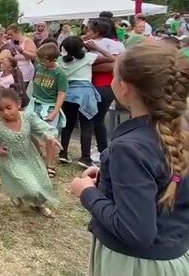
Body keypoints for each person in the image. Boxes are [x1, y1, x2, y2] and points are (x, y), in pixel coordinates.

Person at [70, 42, 189, 275]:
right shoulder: (179, 133)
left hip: (134, 265)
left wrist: (87, 193)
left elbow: (136, 232)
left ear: (124, 87)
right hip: (172, 256)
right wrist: (109, 178)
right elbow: (163, 184)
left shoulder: (129, 149)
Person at [0, 88, 59, 218]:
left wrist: (49, 137)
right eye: (1, 110)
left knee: (42, 183)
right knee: (30, 187)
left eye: (9, 107)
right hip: (12, 161)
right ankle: (21, 194)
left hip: (31, 157)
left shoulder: (28, 117)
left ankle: (39, 205)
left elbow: (42, 128)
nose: (6, 112)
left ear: (18, 104)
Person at [58, 37, 112, 168]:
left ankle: (63, 152)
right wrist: (96, 48)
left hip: (69, 93)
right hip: (85, 94)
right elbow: (112, 58)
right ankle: (85, 157)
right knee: (86, 125)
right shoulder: (88, 57)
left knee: (68, 124)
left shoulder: (60, 61)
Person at [85, 19, 125, 162]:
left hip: (104, 86)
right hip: (94, 85)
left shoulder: (113, 44)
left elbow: (114, 64)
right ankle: (100, 148)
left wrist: (94, 61)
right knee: (94, 119)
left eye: (89, 30)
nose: (86, 33)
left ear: (97, 32)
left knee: (97, 120)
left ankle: (103, 150)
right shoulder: (87, 44)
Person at [27, 43, 68, 178]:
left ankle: (50, 164)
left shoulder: (60, 73)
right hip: (35, 104)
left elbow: (61, 93)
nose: (40, 62)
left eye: (43, 60)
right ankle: (37, 154)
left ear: (53, 60)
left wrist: (55, 111)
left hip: (49, 106)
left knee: (49, 137)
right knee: (28, 130)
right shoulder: (39, 67)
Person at [6, 24, 37, 89]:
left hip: (25, 69)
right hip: (13, 69)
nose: (9, 37)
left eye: (11, 35)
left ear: (17, 32)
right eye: (8, 35)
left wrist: (22, 51)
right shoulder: (9, 42)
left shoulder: (27, 41)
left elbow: (34, 56)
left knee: (22, 90)